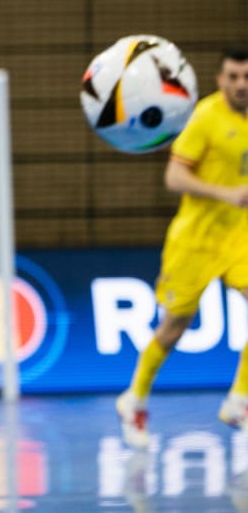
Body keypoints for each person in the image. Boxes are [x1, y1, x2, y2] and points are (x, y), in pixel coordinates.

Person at [116, 48, 248, 448]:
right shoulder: (205, 118)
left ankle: (238, 400)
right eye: (234, 77)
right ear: (219, 80)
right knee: (174, 328)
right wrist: (225, 195)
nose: (242, 85)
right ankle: (134, 397)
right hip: (195, 241)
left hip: (240, 239)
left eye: (247, 77)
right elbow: (174, 177)